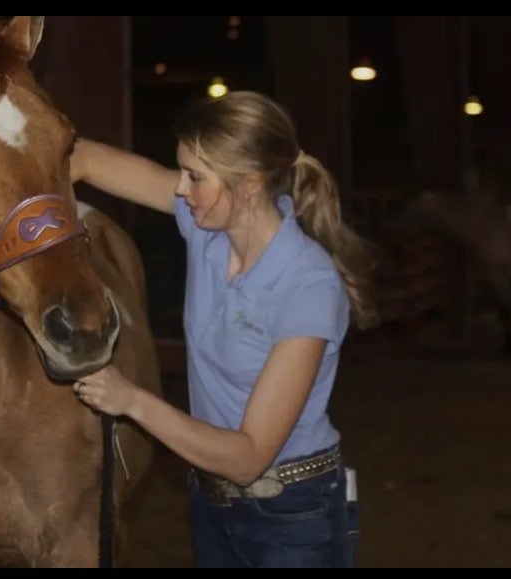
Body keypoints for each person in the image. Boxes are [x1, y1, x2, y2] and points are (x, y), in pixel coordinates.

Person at [69, 90, 378, 568]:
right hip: (212, 500)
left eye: (195, 177)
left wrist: (130, 399)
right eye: (182, 172)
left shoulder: (307, 286)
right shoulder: (208, 229)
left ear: (249, 184)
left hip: (292, 513)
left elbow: (248, 456)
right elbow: (86, 159)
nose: (179, 189)